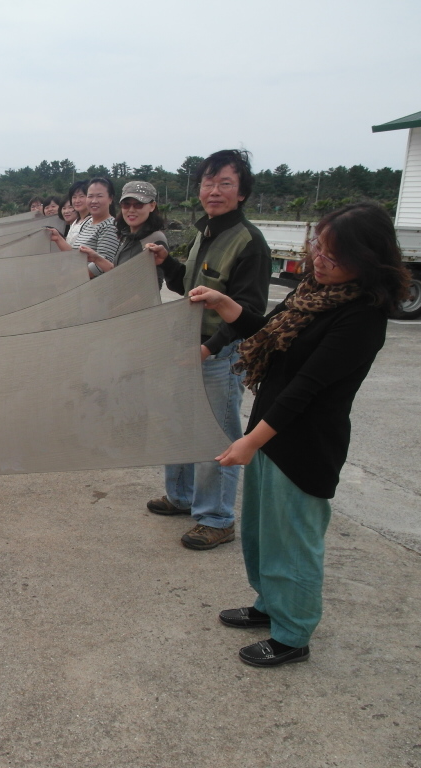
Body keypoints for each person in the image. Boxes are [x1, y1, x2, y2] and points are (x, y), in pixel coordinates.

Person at [189, 202, 410, 666]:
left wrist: (250, 441)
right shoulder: (312, 292)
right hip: (271, 430)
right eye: (318, 247)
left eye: (334, 255)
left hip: (305, 443)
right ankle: (270, 605)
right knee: (263, 532)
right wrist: (225, 304)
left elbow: (306, 388)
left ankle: (293, 634)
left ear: (367, 259)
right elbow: (267, 331)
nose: (319, 260)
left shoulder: (362, 315)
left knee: (293, 540)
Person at [145, 149, 272, 550]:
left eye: (225, 184)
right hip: (189, 346)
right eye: (208, 183)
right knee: (181, 423)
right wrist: (167, 262)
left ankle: (216, 518)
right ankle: (182, 496)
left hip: (221, 353)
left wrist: (209, 349)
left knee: (217, 434)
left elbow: (249, 314)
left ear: (242, 192)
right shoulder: (206, 232)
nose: (214, 191)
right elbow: (188, 286)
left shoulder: (249, 242)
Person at [48, 177, 119, 276]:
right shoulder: (88, 222)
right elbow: (75, 255)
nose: (94, 201)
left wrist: (71, 276)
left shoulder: (110, 225)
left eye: (99, 196)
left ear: (110, 199)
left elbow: (102, 266)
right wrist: (58, 238)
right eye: (90, 196)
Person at [113, 180, 167, 285]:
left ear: (152, 206)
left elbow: (152, 285)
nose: (131, 210)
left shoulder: (154, 239)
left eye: (138, 204)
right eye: (126, 204)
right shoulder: (128, 236)